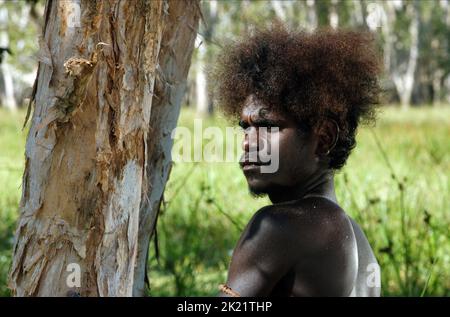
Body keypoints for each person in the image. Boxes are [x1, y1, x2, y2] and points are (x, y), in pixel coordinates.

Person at [210, 23, 382, 297]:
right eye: (245, 127)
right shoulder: (363, 249)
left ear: (323, 138)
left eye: (268, 126)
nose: (248, 142)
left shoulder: (278, 227)